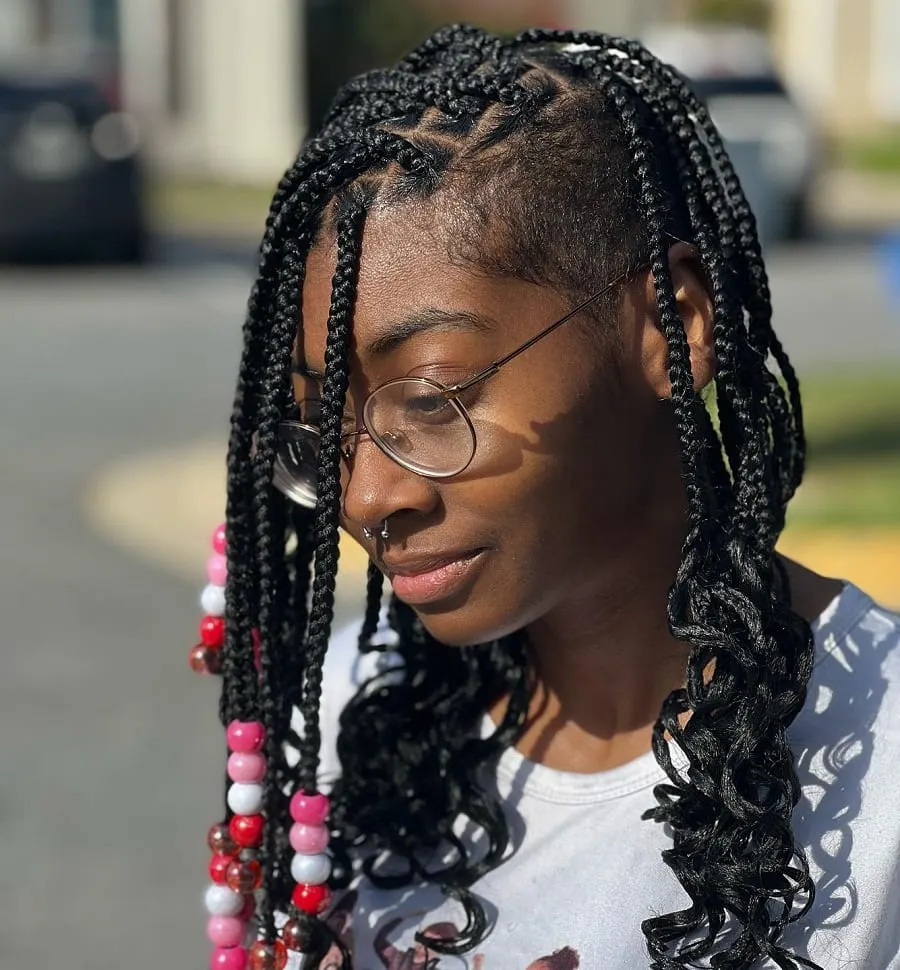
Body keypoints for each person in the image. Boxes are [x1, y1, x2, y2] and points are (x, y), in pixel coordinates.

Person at [193, 24, 900, 970]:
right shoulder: (339, 728)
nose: (364, 496)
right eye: (326, 428)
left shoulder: (881, 776)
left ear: (672, 325)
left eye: (433, 397)